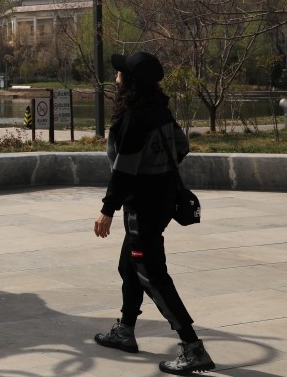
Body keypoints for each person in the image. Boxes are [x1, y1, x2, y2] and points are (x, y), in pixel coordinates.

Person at [93, 52, 214, 375]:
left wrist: (107, 210)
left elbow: (124, 172)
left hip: (143, 206)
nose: (116, 77)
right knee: (129, 265)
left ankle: (193, 347)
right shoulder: (158, 110)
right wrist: (159, 170)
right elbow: (182, 147)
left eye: (120, 74)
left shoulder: (133, 119)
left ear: (130, 81)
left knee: (152, 274)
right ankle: (125, 331)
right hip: (163, 200)